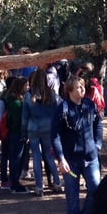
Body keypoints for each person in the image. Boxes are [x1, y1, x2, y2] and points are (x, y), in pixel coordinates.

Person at [53, 75, 103, 214]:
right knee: (72, 197)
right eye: (78, 87)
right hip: (71, 161)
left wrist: (97, 146)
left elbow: (98, 125)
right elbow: (55, 135)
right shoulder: (62, 109)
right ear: (70, 91)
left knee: (96, 189)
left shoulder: (90, 105)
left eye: (83, 86)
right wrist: (61, 158)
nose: (82, 90)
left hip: (91, 157)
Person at [24, 68, 63, 196]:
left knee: (36, 156)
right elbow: (59, 110)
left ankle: (39, 186)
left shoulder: (29, 96)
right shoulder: (52, 94)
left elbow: (24, 116)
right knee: (49, 155)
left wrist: (23, 133)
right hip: (48, 128)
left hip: (33, 128)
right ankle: (57, 183)